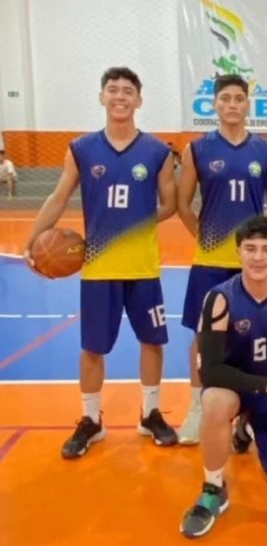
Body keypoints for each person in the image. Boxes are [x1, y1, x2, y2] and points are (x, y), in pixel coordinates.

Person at [23, 67, 178, 458]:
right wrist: (33, 240)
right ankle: (91, 420)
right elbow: (58, 198)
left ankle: (151, 414)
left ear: (139, 100)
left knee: (153, 341)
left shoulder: (157, 152)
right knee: (92, 348)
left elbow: (170, 204)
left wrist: (134, 224)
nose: (120, 96)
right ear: (102, 97)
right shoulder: (82, 148)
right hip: (98, 269)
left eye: (128, 91)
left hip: (143, 267)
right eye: (113, 90)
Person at [179, 216, 267, 538]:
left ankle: (247, 426)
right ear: (239, 252)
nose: (258, 257)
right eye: (251, 248)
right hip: (236, 387)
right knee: (215, 401)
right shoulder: (219, 298)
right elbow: (210, 371)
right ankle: (213, 491)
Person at [177, 75, 267, 446]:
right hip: (209, 262)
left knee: (253, 337)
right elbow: (182, 204)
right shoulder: (197, 149)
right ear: (215, 104)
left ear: (247, 103)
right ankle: (197, 407)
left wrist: (258, 248)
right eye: (226, 98)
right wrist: (206, 239)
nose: (233, 104)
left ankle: (250, 415)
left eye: (239, 98)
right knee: (203, 336)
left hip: (251, 265)